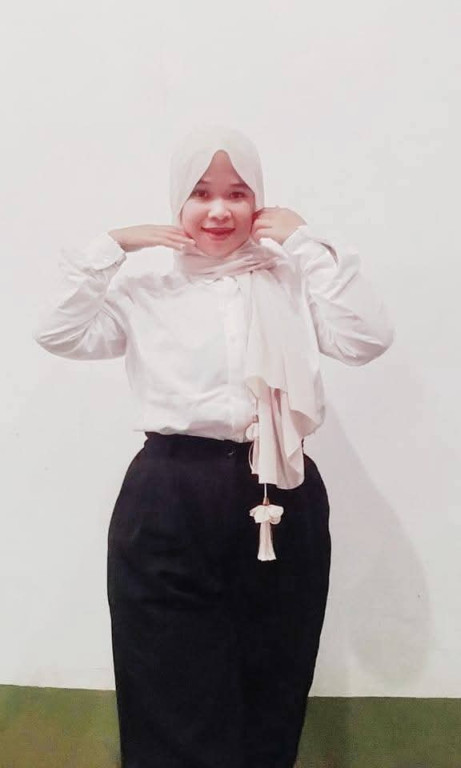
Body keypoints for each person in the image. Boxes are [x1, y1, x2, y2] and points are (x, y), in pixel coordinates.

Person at [34, 126, 394, 768]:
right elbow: (59, 332)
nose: (219, 210)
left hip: (281, 490)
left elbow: (366, 339)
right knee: (166, 682)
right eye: (200, 193)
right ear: (178, 201)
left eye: (237, 193)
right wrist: (114, 246)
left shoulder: (288, 278)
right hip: (170, 492)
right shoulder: (147, 287)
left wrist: (306, 243)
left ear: (260, 201)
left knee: (273, 678)